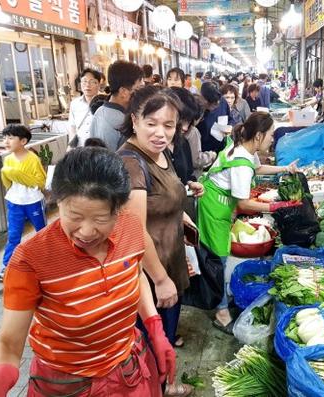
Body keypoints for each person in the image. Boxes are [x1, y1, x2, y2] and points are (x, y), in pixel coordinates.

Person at [0, 147, 176, 396]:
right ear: (58, 203)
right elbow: (9, 343)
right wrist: (2, 372)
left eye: (101, 219)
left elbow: (133, 275)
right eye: (75, 216)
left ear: (118, 209)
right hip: (65, 384)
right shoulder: (31, 260)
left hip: (127, 371)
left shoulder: (130, 227)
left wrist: (154, 327)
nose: (87, 231)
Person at [118, 86, 194, 396]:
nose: (160, 132)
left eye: (169, 125)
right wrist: (161, 280)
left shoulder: (160, 153)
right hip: (149, 276)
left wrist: (182, 214)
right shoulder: (131, 164)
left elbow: (161, 197)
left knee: (164, 340)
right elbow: (135, 229)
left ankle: (165, 385)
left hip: (170, 261)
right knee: (148, 347)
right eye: (152, 123)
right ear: (134, 120)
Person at [197, 112, 299, 334]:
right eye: (271, 135)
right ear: (260, 135)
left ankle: (221, 299)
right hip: (214, 208)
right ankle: (221, 313)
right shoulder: (242, 163)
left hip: (220, 205)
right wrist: (275, 207)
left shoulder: (244, 149)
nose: (273, 139)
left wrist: (284, 168)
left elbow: (258, 169)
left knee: (219, 255)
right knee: (219, 259)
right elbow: (244, 204)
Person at [0, 124, 46, 282]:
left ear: (23, 141)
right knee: (13, 235)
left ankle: (46, 261)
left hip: (33, 202)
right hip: (14, 202)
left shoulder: (33, 159)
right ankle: (8, 266)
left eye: (11, 138)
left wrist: (15, 173)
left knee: (42, 232)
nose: (6, 141)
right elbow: (7, 182)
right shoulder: (8, 159)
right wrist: (12, 174)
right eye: (5, 138)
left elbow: (40, 181)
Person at [90, 60, 143, 151]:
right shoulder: (123, 123)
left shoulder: (100, 111)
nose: (142, 94)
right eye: (139, 88)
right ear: (123, 92)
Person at [168, 88, 216, 179]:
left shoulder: (182, 142)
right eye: (182, 120)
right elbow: (196, 160)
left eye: (189, 122)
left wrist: (189, 183)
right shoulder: (192, 132)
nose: (185, 128)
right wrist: (211, 155)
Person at [68, 68, 101, 148]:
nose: (87, 85)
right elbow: (72, 128)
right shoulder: (74, 104)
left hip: (99, 150)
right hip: (80, 149)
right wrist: (71, 148)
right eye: (84, 81)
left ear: (98, 84)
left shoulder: (104, 103)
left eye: (92, 82)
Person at [197, 81, 231, 153]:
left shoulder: (222, 102)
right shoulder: (197, 108)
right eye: (212, 104)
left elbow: (230, 118)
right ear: (203, 98)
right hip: (203, 150)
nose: (216, 106)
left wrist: (229, 128)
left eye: (217, 103)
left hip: (220, 146)